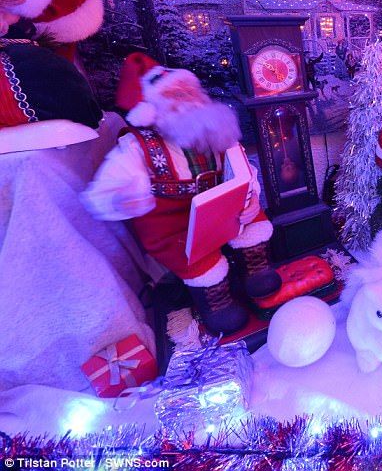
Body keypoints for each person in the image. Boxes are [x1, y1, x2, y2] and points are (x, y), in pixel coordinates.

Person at [83, 54, 280, 334]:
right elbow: (101, 193)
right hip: (174, 226)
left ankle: (257, 272)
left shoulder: (217, 132)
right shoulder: (137, 147)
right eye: (175, 94)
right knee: (199, 261)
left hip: (225, 212)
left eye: (190, 91)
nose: (187, 99)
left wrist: (250, 196)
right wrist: (123, 199)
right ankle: (217, 303)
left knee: (254, 222)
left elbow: (245, 170)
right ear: (151, 109)